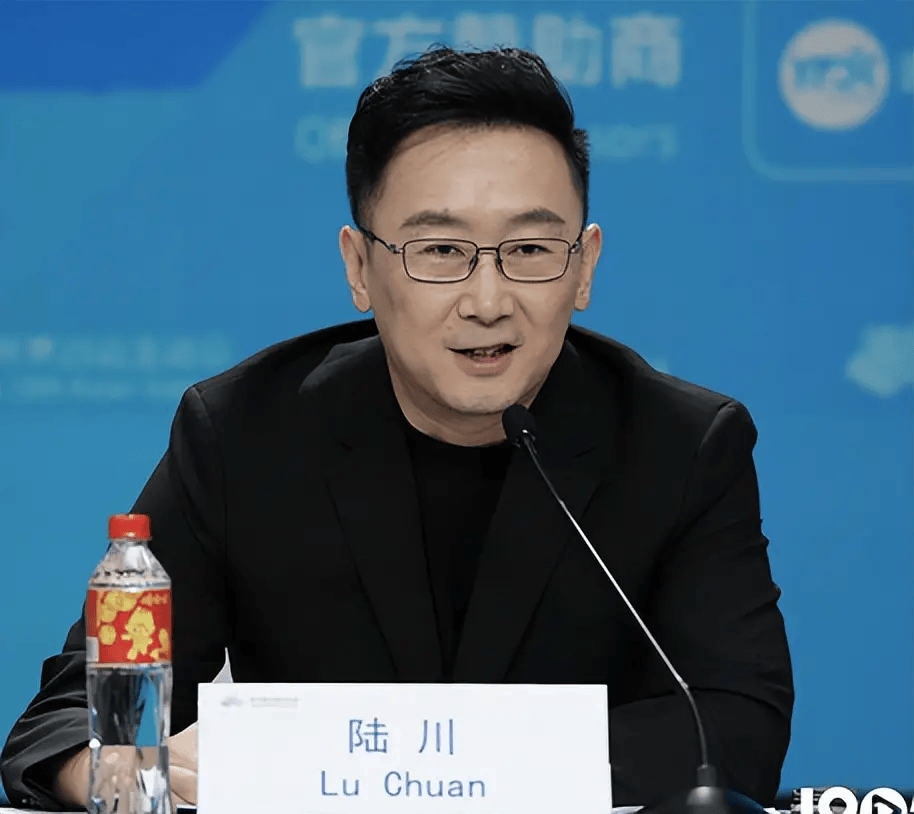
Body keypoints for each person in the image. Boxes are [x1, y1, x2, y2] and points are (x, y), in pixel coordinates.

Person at [1, 45, 793, 811]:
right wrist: (113, 767)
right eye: (440, 249)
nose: (487, 301)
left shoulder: (682, 445)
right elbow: (70, 719)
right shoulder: (245, 434)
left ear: (584, 266)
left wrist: (408, 767)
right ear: (359, 268)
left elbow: (732, 730)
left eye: (528, 248)